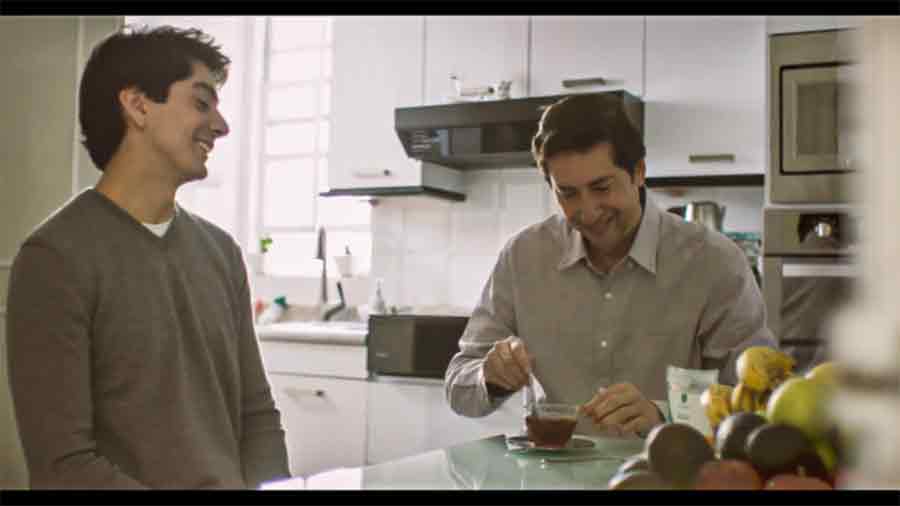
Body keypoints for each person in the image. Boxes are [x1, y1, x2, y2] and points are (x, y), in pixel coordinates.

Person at [6, 25, 290, 489]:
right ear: (137, 105)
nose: (221, 126)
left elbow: (255, 415)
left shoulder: (221, 253)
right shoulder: (54, 259)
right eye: (201, 102)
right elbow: (65, 465)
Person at [444, 94, 776, 438]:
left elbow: (759, 400)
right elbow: (459, 386)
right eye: (568, 193)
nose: (588, 211)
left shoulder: (713, 262)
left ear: (639, 172)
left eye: (601, 188)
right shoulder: (523, 257)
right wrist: (490, 377)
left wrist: (666, 414)